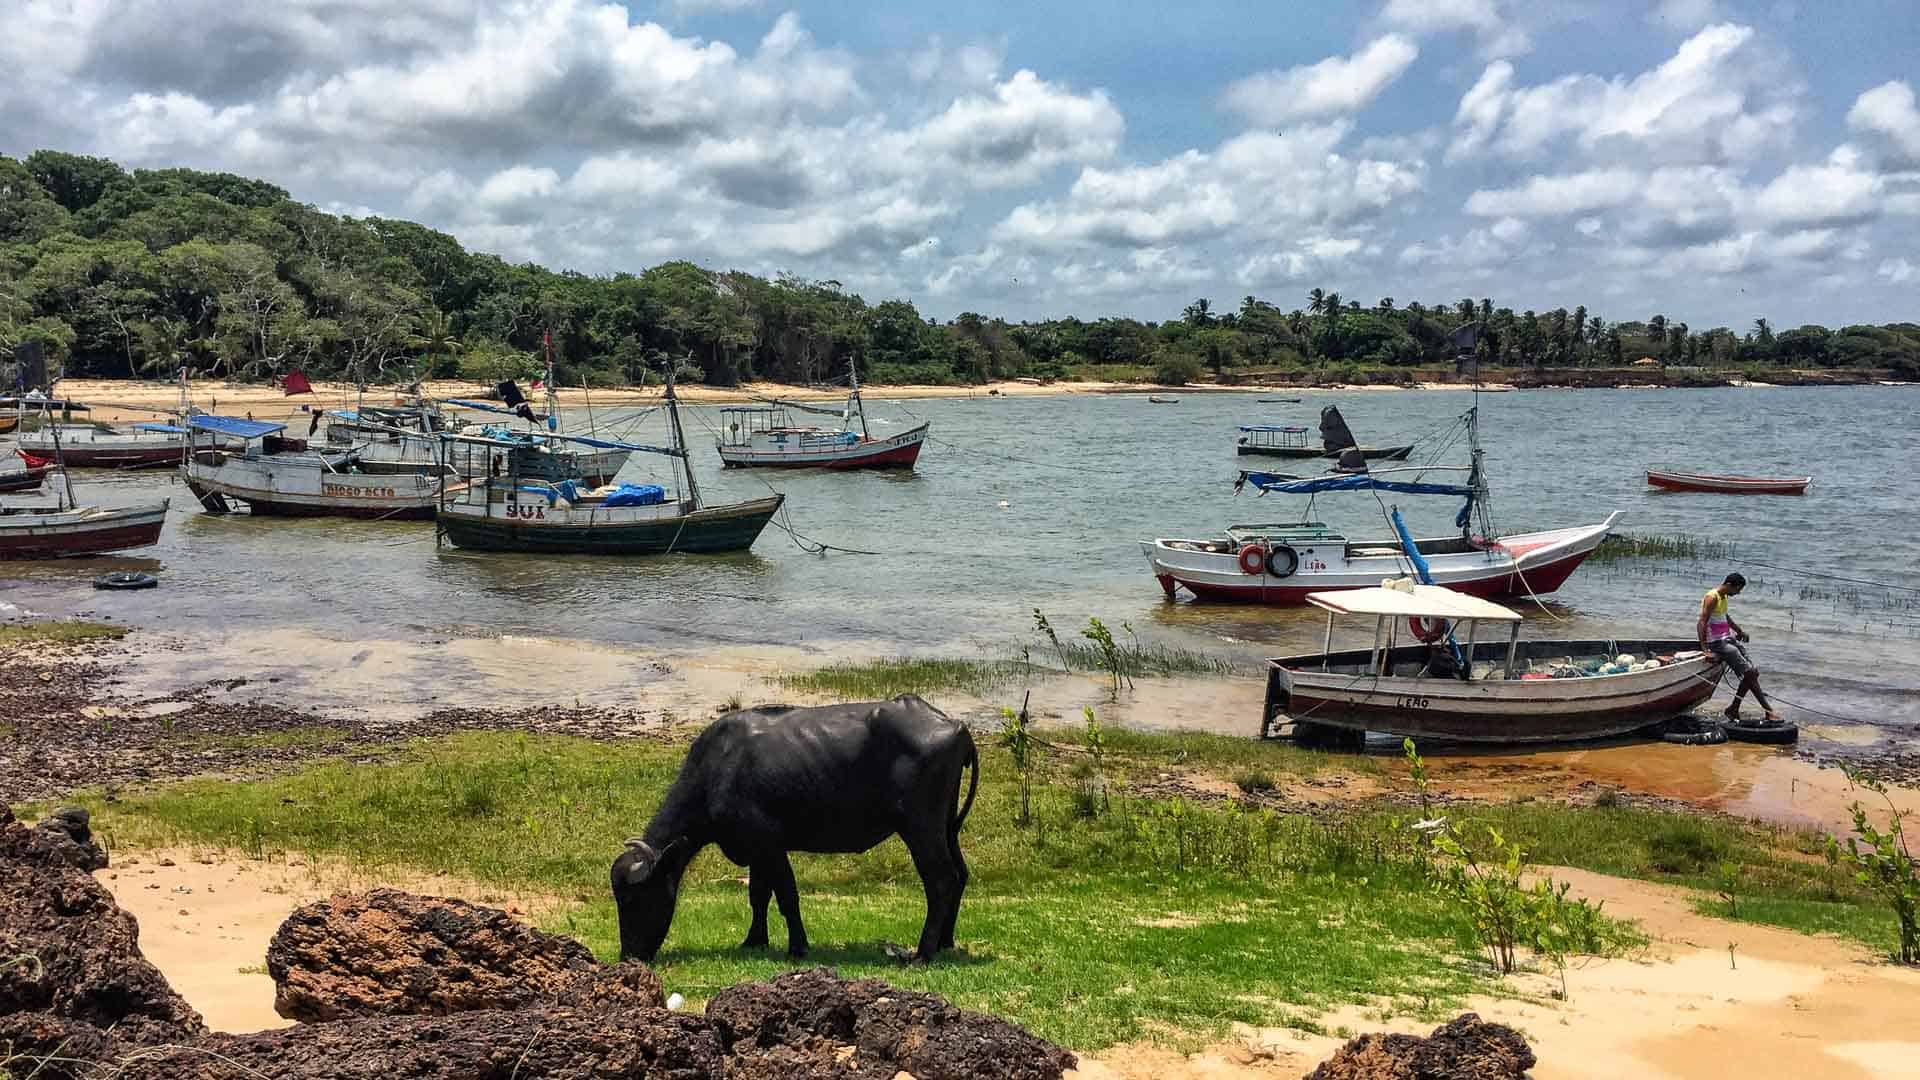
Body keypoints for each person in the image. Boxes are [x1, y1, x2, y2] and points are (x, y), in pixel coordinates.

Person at [1697, 573, 1777, 725]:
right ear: (1729, 585)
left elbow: (1724, 617)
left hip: (1727, 639)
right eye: (1737, 590)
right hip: (1716, 643)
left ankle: (1734, 708)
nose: (1738, 593)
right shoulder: (1712, 597)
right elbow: (1702, 622)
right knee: (1749, 674)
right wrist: (1704, 648)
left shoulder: (1723, 597)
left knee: (1753, 673)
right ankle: (1768, 710)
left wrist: (1739, 631)